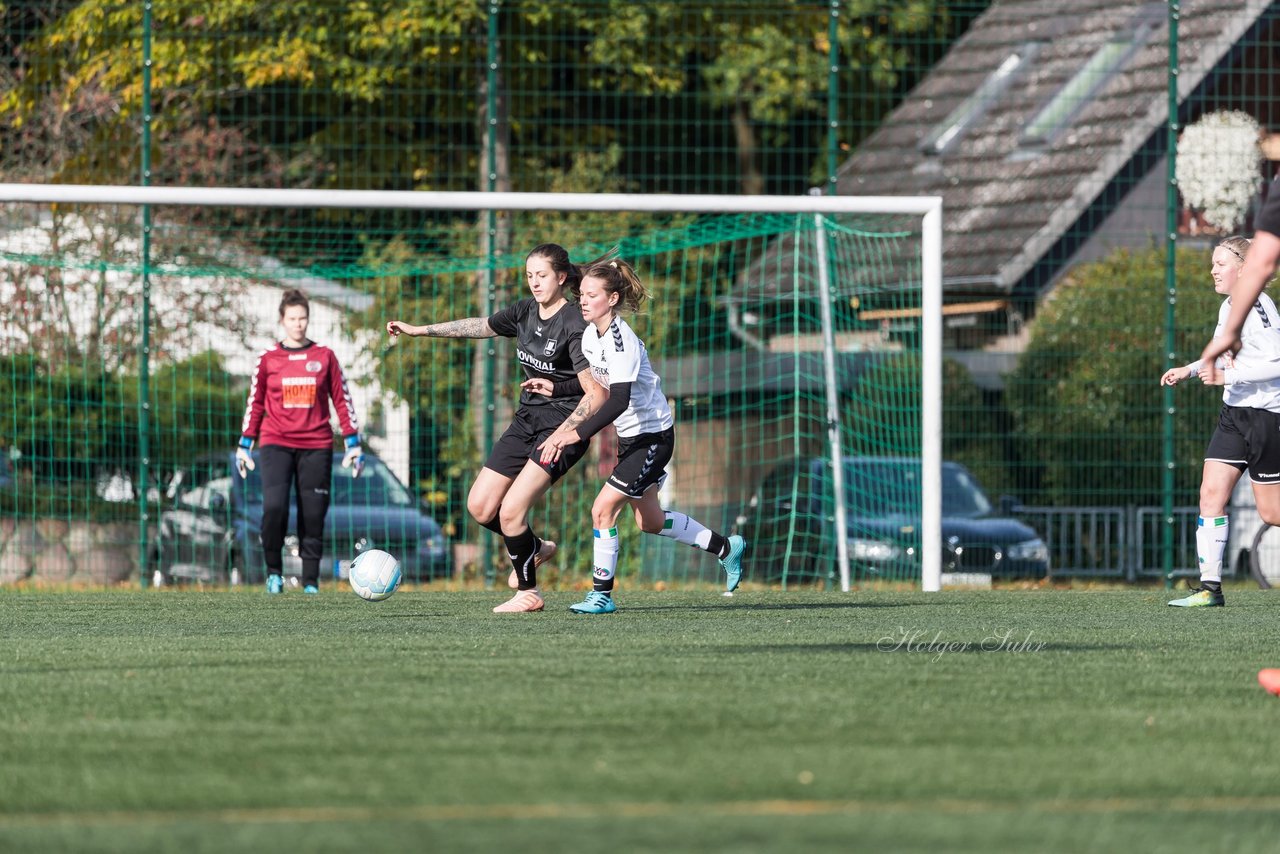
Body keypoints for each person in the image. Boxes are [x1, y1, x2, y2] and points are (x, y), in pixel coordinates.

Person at [385, 244, 608, 613]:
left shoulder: (573, 323)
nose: (534, 282)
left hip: (564, 428)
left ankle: (529, 593)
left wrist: (564, 434)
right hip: (527, 420)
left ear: (562, 277)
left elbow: (596, 394)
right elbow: (479, 326)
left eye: (542, 275)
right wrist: (419, 330)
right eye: (529, 275)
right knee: (480, 506)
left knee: (510, 512)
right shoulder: (523, 311)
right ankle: (535, 548)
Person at [528, 256, 745, 614]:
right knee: (651, 521)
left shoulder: (620, 339)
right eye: (581, 294)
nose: (582, 300)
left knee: (602, 511)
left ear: (611, 299)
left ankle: (601, 594)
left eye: (591, 295)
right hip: (633, 439)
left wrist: (577, 434)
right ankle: (727, 547)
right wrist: (556, 386)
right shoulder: (589, 337)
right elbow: (599, 388)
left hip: (652, 438)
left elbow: (619, 399)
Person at [1161, 236, 1280, 607]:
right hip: (1233, 417)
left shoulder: (1259, 307)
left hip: (1265, 417)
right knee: (1210, 494)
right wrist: (1190, 369)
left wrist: (1228, 378)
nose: (1213, 270)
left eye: (1221, 264)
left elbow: (1276, 362)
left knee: (1272, 512)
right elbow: (1221, 355)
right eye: (1212, 263)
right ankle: (1210, 589)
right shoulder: (1229, 306)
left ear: (1244, 269)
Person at [238, 288, 364, 596]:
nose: (298, 324)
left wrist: (352, 442)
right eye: (292, 318)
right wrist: (245, 444)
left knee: (313, 512)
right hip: (275, 442)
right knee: (275, 508)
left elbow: (342, 400)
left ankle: (310, 581)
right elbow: (255, 403)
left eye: (303, 318)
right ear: (282, 320)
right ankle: (273, 574)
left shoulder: (324, 357)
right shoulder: (268, 359)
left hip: (316, 444)